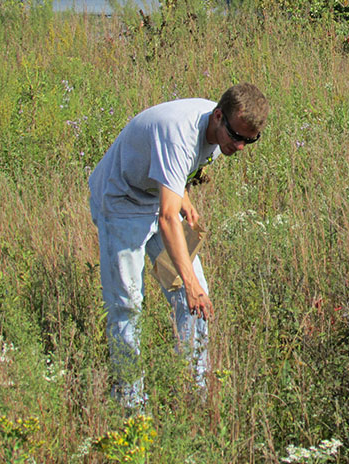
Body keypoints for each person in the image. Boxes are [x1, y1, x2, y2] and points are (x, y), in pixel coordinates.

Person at [89, 83, 269, 408]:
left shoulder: (219, 130)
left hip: (155, 199)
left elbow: (174, 168)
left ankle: (195, 395)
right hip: (120, 200)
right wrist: (189, 282)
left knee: (197, 303)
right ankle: (132, 408)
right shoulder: (180, 133)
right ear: (218, 116)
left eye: (249, 140)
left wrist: (182, 194)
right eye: (237, 137)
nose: (240, 147)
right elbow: (168, 220)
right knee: (127, 305)